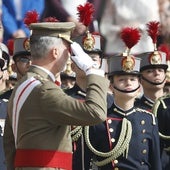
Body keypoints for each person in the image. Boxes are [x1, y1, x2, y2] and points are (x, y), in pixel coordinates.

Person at [3, 21, 109, 170]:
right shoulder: (44, 90)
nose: (69, 54)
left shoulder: (23, 84)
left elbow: (9, 142)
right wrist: (93, 72)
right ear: (55, 52)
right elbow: (96, 112)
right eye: (67, 48)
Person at [83, 27, 161, 169]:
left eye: (132, 79)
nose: (128, 83)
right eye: (122, 80)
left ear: (139, 83)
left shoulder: (149, 119)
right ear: (111, 86)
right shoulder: (98, 120)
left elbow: (156, 162)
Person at [65, 32, 113, 170]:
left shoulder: (112, 101)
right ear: (73, 66)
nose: (89, 62)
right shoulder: (64, 98)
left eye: (93, 58)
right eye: (83, 58)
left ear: (101, 64)